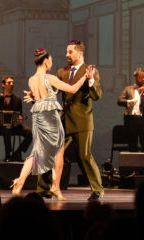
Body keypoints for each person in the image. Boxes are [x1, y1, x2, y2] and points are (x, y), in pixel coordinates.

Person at [11, 48, 91, 201]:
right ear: (46, 61)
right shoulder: (50, 77)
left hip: (38, 116)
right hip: (50, 117)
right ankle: (55, 187)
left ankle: (19, 182)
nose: (51, 64)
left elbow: (39, 96)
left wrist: (33, 95)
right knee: (58, 151)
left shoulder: (31, 79)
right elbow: (73, 89)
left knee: (36, 151)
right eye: (51, 61)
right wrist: (84, 78)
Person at [35, 40, 104, 201]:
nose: (67, 55)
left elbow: (97, 96)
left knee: (84, 155)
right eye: (66, 52)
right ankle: (43, 189)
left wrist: (91, 80)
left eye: (70, 52)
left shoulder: (90, 71)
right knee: (49, 152)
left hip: (82, 121)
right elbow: (52, 91)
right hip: (63, 120)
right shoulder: (61, 72)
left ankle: (98, 190)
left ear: (79, 53)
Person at [0, 75, 32, 162]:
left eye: (12, 83)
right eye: (9, 82)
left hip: (14, 126)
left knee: (29, 132)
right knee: (6, 129)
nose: (11, 84)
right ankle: (8, 155)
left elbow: (20, 114)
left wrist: (20, 118)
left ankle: (17, 153)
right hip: (0, 127)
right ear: (3, 84)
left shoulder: (17, 99)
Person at [117, 68, 144, 152]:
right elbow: (119, 101)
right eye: (141, 77)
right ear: (135, 77)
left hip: (143, 119)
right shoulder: (128, 89)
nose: (143, 80)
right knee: (132, 143)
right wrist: (130, 102)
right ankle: (133, 163)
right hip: (130, 119)